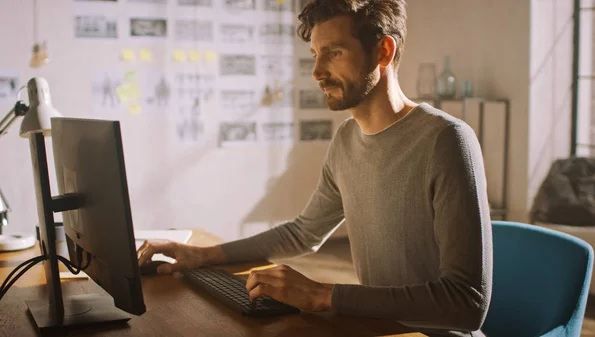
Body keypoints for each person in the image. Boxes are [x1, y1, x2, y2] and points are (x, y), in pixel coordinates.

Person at [137, 1, 493, 336]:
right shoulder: (346, 140)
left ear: (384, 51)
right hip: (374, 328)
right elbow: (302, 233)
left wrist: (323, 295)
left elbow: (466, 302)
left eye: (334, 53)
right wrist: (203, 255)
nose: (318, 72)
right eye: (315, 55)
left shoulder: (447, 140)